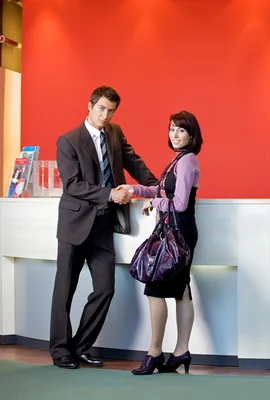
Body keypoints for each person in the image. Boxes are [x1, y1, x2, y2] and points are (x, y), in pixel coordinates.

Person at [50, 86, 158, 369]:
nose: (105, 115)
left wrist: (156, 188)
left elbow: (134, 162)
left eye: (110, 111)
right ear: (89, 105)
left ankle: (81, 347)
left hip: (103, 226)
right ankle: (61, 351)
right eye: (101, 109)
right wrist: (109, 194)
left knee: (105, 289)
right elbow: (72, 185)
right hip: (75, 225)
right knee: (65, 290)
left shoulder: (114, 132)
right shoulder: (68, 141)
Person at [119, 110, 202, 375]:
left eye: (180, 130)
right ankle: (180, 352)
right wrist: (136, 190)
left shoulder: (188, 161)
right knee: (180, 291)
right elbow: (161, 190)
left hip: (179, 232)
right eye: (171, 130)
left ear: (191, 135)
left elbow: (179, 203)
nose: (174, 135)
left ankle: (156, 353)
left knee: (156, 290)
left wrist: (153, 203)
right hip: (176, 232)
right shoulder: (178, 160)